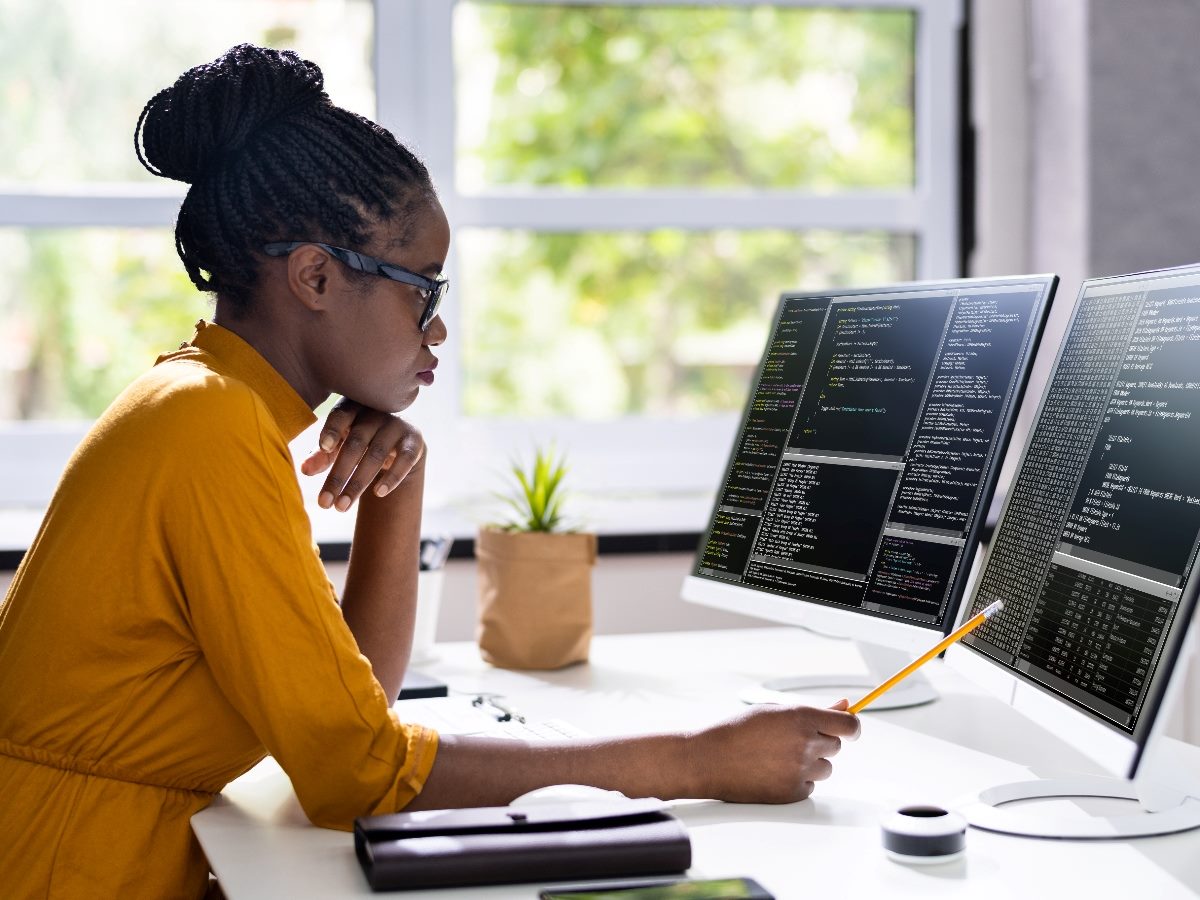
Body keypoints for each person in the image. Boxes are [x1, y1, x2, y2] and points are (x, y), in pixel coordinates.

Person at [0, 44, 860, 899]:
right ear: (317, 276)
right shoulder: (209, 426)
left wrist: (397, 489)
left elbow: (357, 707)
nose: (436, 331)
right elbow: (357, 774)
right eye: (425, 290)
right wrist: (697, 759)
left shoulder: (203, 400)